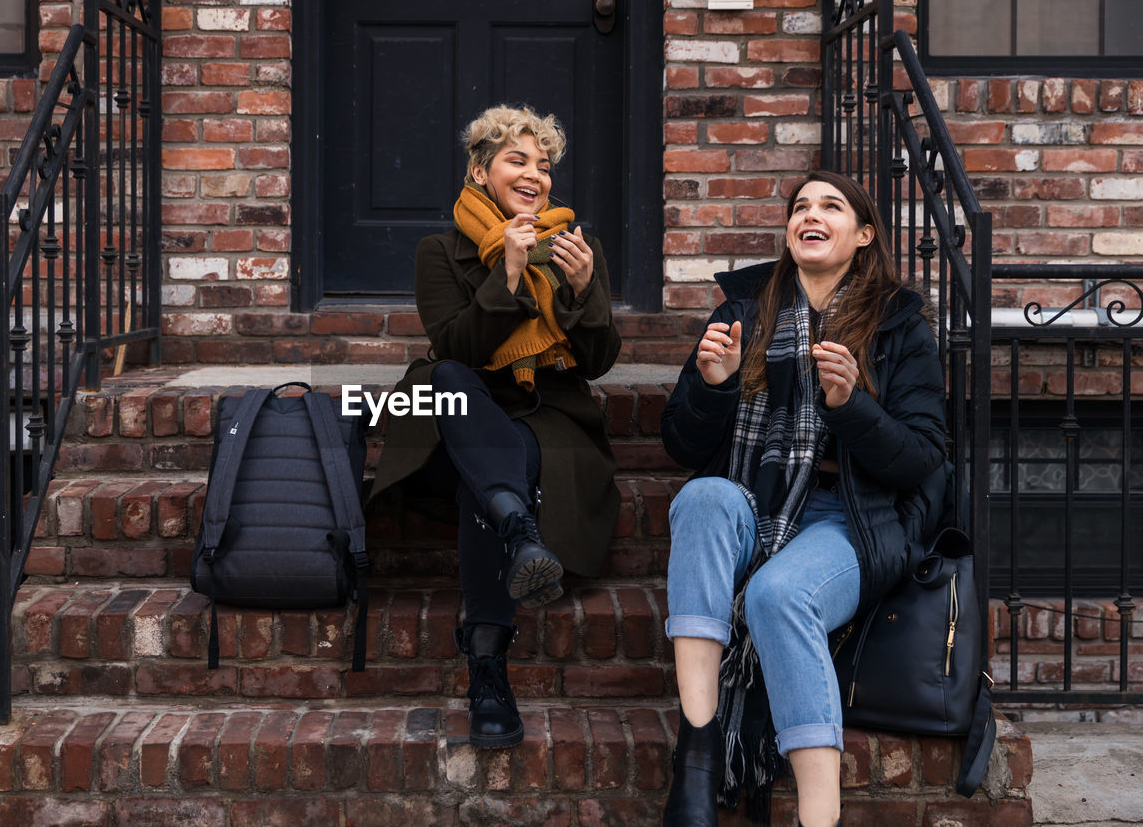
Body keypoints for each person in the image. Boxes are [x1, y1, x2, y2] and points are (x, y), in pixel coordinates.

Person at [659, 171, 946, 827]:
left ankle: (820, 815)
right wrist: (713, 389)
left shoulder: (898, 326)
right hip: (749, 499)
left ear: (864, 235)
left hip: (854, 521)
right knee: (701, 499)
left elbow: (924, 459)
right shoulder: (740, 313)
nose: (810, 215)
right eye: (799, 207)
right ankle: (697, 755)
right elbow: (680, 444)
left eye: (831, 206)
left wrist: (851, 407)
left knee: (777, 593)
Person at [369, 103, 621, 749]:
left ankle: (487, 668)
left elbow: (596, 360)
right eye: (518, 159)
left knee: (487, 476)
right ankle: (518, 528)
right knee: (447, 383)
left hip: (550, 420)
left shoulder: (573, 247)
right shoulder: (440, 252)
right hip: (471, 404)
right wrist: (506, 275)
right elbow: (457, 345)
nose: (535, 174)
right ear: (481, 170)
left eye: (544, 164)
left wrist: (586, 290)